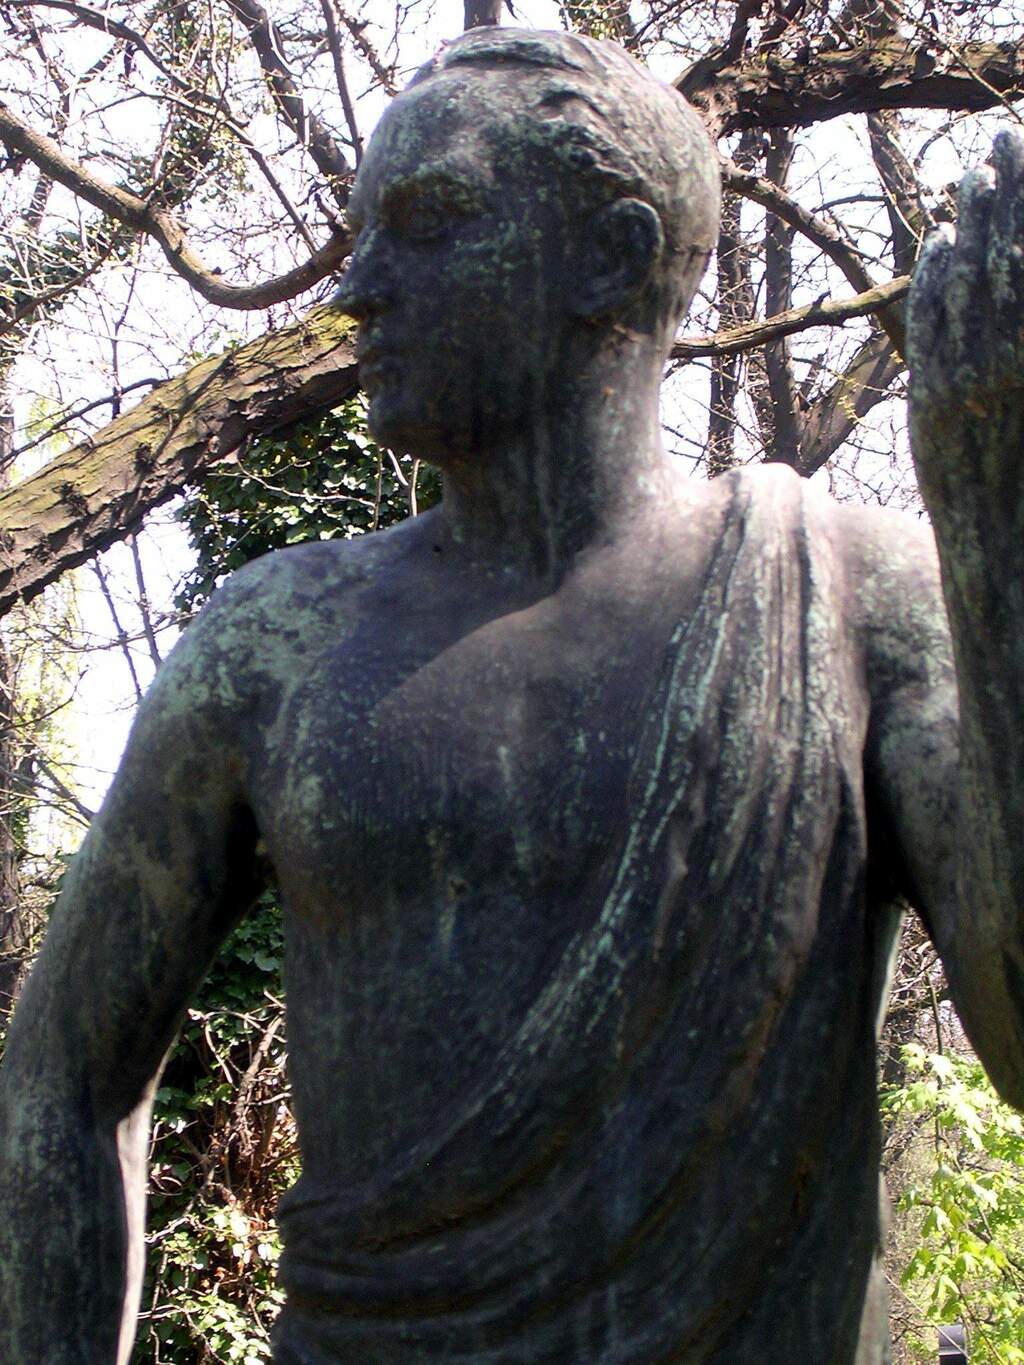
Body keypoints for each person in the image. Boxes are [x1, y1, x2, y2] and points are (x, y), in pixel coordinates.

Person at [1, 25, 1023, 1365]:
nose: (358, 286)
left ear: (610, 253)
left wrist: (993, 520)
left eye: (427, 223)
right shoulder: (274, 642)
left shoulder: (853, 597)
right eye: (359, 231)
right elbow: (62, 1083)